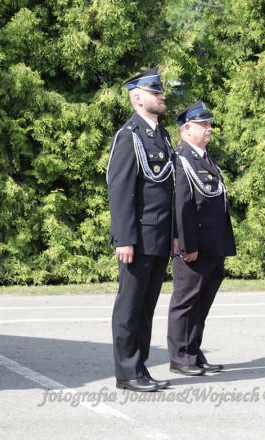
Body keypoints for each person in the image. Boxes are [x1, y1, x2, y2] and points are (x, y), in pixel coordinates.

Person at [106, 67, 175, 392]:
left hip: (159, 236)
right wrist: (124, 238)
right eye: (155, 92)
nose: (162, 96)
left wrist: (174, 234)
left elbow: (167, 190)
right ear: (137, 98)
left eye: (160, 91)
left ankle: (140, 368)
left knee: (146, 307)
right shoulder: (129, 135)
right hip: (138, 238)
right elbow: (120, 189)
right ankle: (127, 372)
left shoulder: (162, 135)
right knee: (130, 306)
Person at [167, 100, 236, 375]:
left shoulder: (204, 158)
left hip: (212, 245)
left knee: (202, 302)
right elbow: (181, 206)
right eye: (203, 125)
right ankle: (180, 358)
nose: (209, 129)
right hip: (194, 246)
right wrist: (187, 245)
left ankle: (193, 352)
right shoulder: (181, 158)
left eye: (209, 124)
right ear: (186, 129)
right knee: (186, 302)